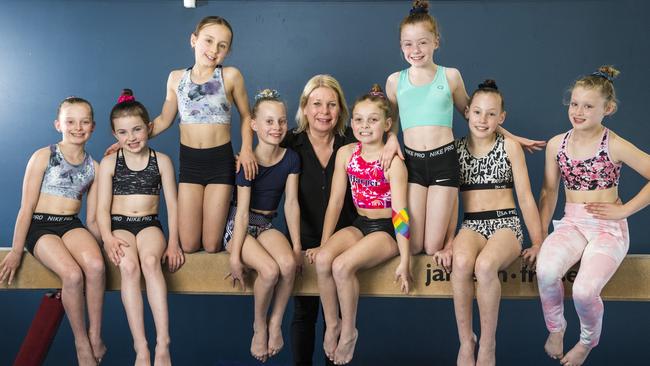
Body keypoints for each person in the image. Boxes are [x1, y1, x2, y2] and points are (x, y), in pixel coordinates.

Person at [383, 0, 545, 266]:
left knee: (433, 246)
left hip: (443, 163)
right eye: (408, 44)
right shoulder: (394, 81)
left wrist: (512, 137)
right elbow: (392, 122)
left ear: (436, 41)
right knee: (411, 245)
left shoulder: (450, 77)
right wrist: (391, 139)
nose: (416, 50)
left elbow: (474, 114)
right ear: (401, 46)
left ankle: (448, 241)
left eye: (423, 42)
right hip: (412, 163)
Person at [107, 15, 257, 253]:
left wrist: (247, 149)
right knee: (187, 244)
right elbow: (164, 119)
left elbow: (247, 116)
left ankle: (234, 221)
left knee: (211, 245)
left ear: (227, 51)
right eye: (208, 41)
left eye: (222, 45)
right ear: (193, 40)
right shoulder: (177, 78)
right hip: (190, 164)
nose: (213, 49)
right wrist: (129, 140)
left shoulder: (230, 76)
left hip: (220, 163)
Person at [536, 66, 650, 366]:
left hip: (607, 228)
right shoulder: (556, 145)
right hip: (572, 223)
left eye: (588, 106)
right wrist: (538, 239)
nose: (578, 111)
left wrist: (624, 210)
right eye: (574, 103)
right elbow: (549, 193)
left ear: (607, 109)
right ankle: (557, 327)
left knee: (585, 291)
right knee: (546, 271)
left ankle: (587, 341)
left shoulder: (613, 144)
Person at [308, 84, 411, 365]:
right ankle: (332, 324)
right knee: (325, 260)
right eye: (359, 119)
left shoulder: (392, 162)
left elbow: (401, 213)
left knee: (342, 266)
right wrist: (323, 243)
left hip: (385, 231)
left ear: (387, 124)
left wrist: (405, 258)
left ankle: (350, 329)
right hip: (360, 223)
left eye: (373, 120)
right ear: (351, 121)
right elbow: (336, 201)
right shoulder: (347, 153)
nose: (364, 126)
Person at [0, 97, 106, 365]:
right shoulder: (43, 156)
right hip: (40, 224)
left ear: (93, 127)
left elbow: (92, 219)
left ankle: (95, 335)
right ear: (58, 124)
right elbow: (26, 208)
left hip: (70, 224)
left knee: (94, 265)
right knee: (71, 274)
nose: (77, 127)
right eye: (71, 121)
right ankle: (81, 342)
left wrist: (106, 244)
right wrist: (15, 250)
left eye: (84, 122)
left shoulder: (95, 167)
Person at [450, 80, 543, 366]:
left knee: (486, 265)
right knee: (462, 262)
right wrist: (445, 244)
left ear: (501, 118)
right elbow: (450, 202)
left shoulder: (510, 147)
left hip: (505, 224)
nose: (483, 119)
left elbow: (526, 198)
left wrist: (539, 241)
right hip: (471, 225)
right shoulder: (455, 149)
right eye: (477, 112)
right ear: (466, 112)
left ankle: (488, 343)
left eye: (491, 114)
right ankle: (467, 341)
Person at [97, 89, 184, 366]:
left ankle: (163, 342)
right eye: (123, 133)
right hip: (119, 226)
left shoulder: (162, 162)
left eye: (136, 130)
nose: (131, 137)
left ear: (148, 128)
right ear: (114, 135)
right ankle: (141, 345)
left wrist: (173, 243)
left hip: (149, 225)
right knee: (129, 267)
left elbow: (173, 204)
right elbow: (101, 208)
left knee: (149, 261)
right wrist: (108, 237)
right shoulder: (110, 163)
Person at [283, 75, 356, 366]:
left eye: (331, 104)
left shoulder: (353, 141)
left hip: (344, 242)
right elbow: (261, 159)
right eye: (316, 104)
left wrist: (391, 144)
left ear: (340, 109)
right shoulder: (290, 142)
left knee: (335, 316)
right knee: (304, 313)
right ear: (304, 106)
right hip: (301, 240)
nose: (324, 112)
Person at [225, 89, 301, 363]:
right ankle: (259, 325)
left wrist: (297, 246)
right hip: (240, 225)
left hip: (266, 223)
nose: (276, 127)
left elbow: (291, 204)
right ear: (254, 125)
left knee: (289, 265)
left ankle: (275, 322)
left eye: (281, 121)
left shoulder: (291, 158)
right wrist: (234, 255)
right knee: (268, 271)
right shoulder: (247, 162)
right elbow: (242, 214)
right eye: (269, 121)